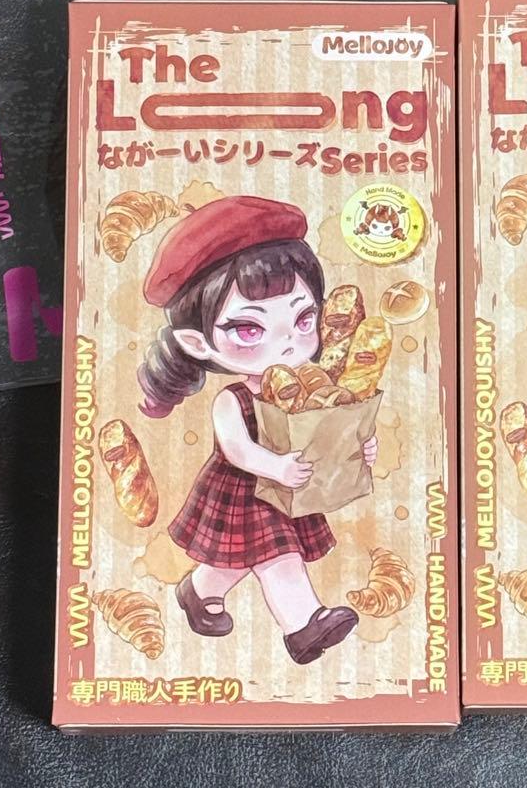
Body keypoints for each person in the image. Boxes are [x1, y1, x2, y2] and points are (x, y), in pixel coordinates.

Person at [137, 195, 377, 664]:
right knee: (277, 555)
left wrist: (360, 446)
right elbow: (236, 449)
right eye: (249, 329)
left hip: (287, 488)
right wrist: (275, 466)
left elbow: (327, 429)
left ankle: (198, 590)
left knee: (235, 560)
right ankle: (304, 626)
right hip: (244, 492)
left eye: (303, 319)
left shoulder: (313, 388)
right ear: (197, 342)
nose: (288, 343)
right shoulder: (233, 399)